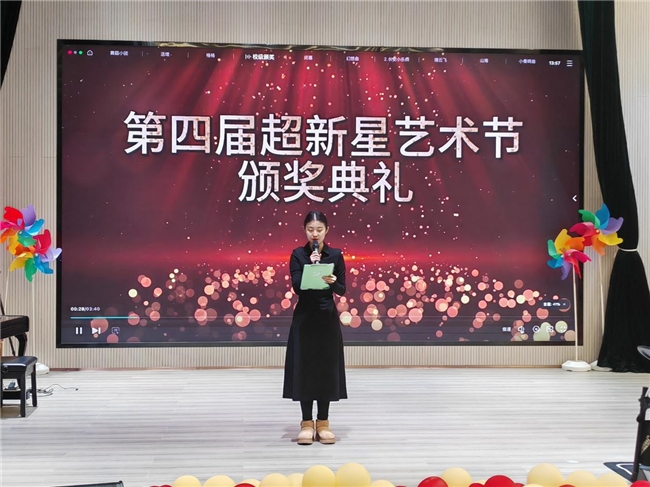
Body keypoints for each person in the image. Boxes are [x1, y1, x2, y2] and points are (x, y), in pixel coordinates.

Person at [283, 210, 347, 445]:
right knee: (305, 368)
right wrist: (312, 267)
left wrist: (333, 282)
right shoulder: (298, 255)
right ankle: (306, 423)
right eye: (310, 229)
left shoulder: (336, 255)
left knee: (325, 369)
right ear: (304, 230)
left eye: (319, 229)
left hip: (327, 318)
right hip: (305, 318)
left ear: (326, 230)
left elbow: (342, 289)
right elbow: (297, 287)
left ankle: (323, 422)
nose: (315, 234)